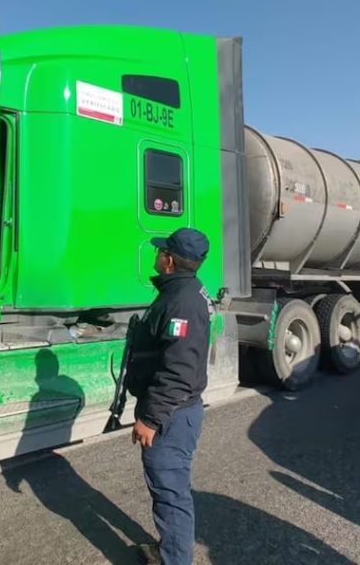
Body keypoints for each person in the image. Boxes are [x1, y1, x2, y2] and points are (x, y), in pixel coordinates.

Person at [125, 227, 213, 565]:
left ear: (170, 260)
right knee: (169, 487)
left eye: (161, 251)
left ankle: (174, 560)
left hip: (172, 416)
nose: (157, 255)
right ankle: (169, 550)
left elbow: (179, 372)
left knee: (170, 492)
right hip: (175, 411)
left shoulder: (182, 302)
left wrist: (150, 419)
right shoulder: (183, 291)